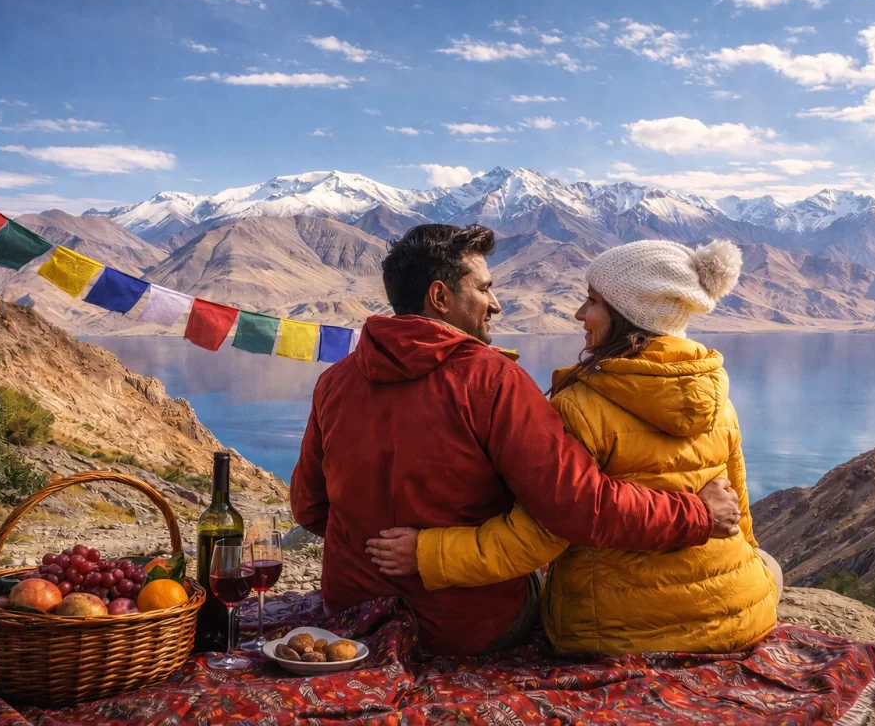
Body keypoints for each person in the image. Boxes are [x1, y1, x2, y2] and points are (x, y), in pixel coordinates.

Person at [291, 224, 742, 656]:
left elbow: (308, 509)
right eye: (484, 288)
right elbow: (578, 506)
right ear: (440, 297)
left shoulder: (335, 382)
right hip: (466, 628)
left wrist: (368, 547)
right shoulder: (493, 381)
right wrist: (696, 513)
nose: (496, 304)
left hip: (349, 614)